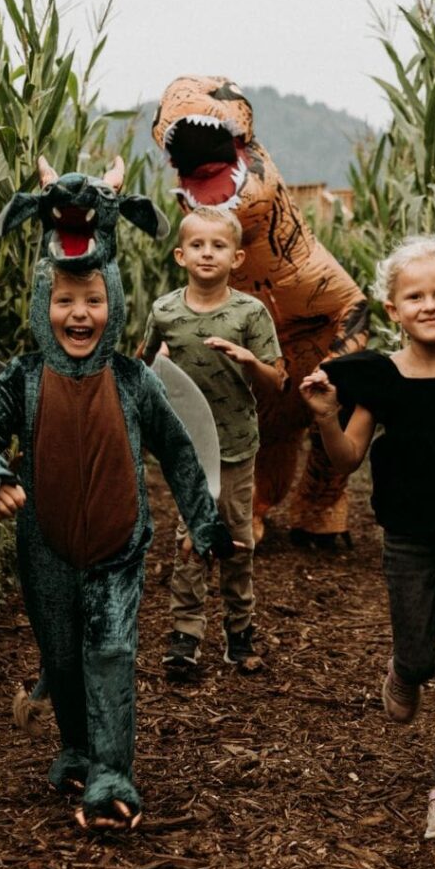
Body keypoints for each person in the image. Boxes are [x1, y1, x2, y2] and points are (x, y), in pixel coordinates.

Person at [0, 161, 244, 832]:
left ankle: (113, 772)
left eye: (92, 300)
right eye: (63, 301)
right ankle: (77, 748)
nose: (78, 314)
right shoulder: (21, 378)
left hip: (120, 544)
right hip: (46, 545)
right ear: (42, 304)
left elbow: (179, 453)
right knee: (62, 656)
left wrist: (205, 524)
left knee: (112, 650)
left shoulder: (133, 380)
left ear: (113, 302)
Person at [298, 234, 435, 846]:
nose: (430, 304)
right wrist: (324, 416)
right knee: (422, 658)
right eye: (415, 295)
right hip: (406, 537)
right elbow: (347, 460)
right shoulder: (381, 380)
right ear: (393, 309)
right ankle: (403, 669)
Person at [141, 206, 285, 672]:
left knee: (237, 540)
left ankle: (239, 631)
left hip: (237, 445)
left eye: (218, 245)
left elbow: (277, 381)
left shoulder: (250, 312)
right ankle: (185, 634)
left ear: (237, 258)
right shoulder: (164, 311)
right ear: (180, 255)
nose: (208, 253)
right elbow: (141, 375)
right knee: (190, 539)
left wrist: (249, 359)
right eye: (198, 246)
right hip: (185, 449)